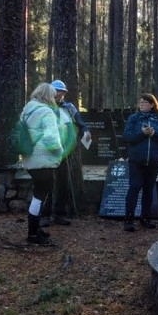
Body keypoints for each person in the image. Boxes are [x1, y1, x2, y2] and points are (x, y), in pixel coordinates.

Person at [38, 79, 91, 226]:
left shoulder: (69, 107)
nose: (59, 95)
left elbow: (80, 122)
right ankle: (44, 215)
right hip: (46, 151)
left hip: (64, 151)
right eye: (56, 91)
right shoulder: (43, 106)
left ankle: (60, 214)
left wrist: (86, 131)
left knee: (63, 183)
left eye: (62, 92)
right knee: (47, 182)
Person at [20, 82, 65, 246]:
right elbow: (51, 139)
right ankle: (33, 233)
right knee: (40, 197)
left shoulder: (27, 110)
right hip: (44, 160)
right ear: (48, 96)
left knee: (38, 195)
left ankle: (35, 229)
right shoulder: (46, 111)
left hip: (30, 158)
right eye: (54, 95)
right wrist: (61, 153)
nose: (55, 98)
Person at [121, 93, 158, 232]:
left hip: (154, 160)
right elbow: (126, 136)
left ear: (152, 104)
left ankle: (145, 218)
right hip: (136, 160)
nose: (141, 104)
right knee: (134, 187)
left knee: (148, 189)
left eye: (145, 102)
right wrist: (142, 133)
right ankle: (129, 219)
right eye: (140, 102)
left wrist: (155, 134)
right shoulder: (134, 118)